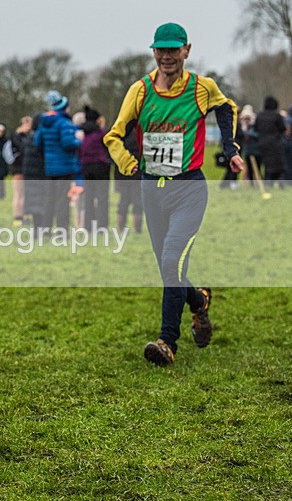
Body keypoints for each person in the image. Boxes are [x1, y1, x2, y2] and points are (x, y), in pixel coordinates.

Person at [103, 22, 243, 367]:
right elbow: (114, 136)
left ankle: (167, 341)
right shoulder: (139, 91)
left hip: (189, 189)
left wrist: (232, 147)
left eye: (173, 49)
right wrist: (128, 163)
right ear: (154, 52)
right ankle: (198, 301)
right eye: (160, 50)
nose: (167, 56)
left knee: (171, 262)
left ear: (186, 50)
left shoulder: (201, 88)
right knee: (170, 268)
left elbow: (227, 109)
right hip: (152, 188)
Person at [33, 90, 82, 233]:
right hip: (65, 168)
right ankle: (62, 231)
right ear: (64, 107)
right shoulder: (63, 123)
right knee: (62, 200)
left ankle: (46, 230)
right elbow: (68, 143)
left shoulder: (44, 123)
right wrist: (79, 141)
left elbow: (38, 142)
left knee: (49, 200)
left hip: (50, 168)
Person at [79, 106, 110, 231]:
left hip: (86, 166)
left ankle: (88, 226)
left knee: (89, 197)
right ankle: (102, 226)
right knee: (102, 197)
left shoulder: (82, 133)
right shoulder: (101, 133)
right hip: (101, 166)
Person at [255, 96, 286, 187]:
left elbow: (255, 128)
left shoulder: (259, 115)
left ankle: (267, 183)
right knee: (278, 164)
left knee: (267, 165)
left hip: (262, 143)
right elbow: (282, 128)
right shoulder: (277, 115)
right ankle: (280, 183)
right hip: (275, 143)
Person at [8, 116, 32, 226]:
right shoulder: (15, 136)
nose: (28, 127)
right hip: (17, 168)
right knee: (18, 193)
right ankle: (18, 217)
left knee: (27, 193)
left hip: (27, 168)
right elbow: (21, 149)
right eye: (26, 124)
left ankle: (26, 215)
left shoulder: (29, 136)